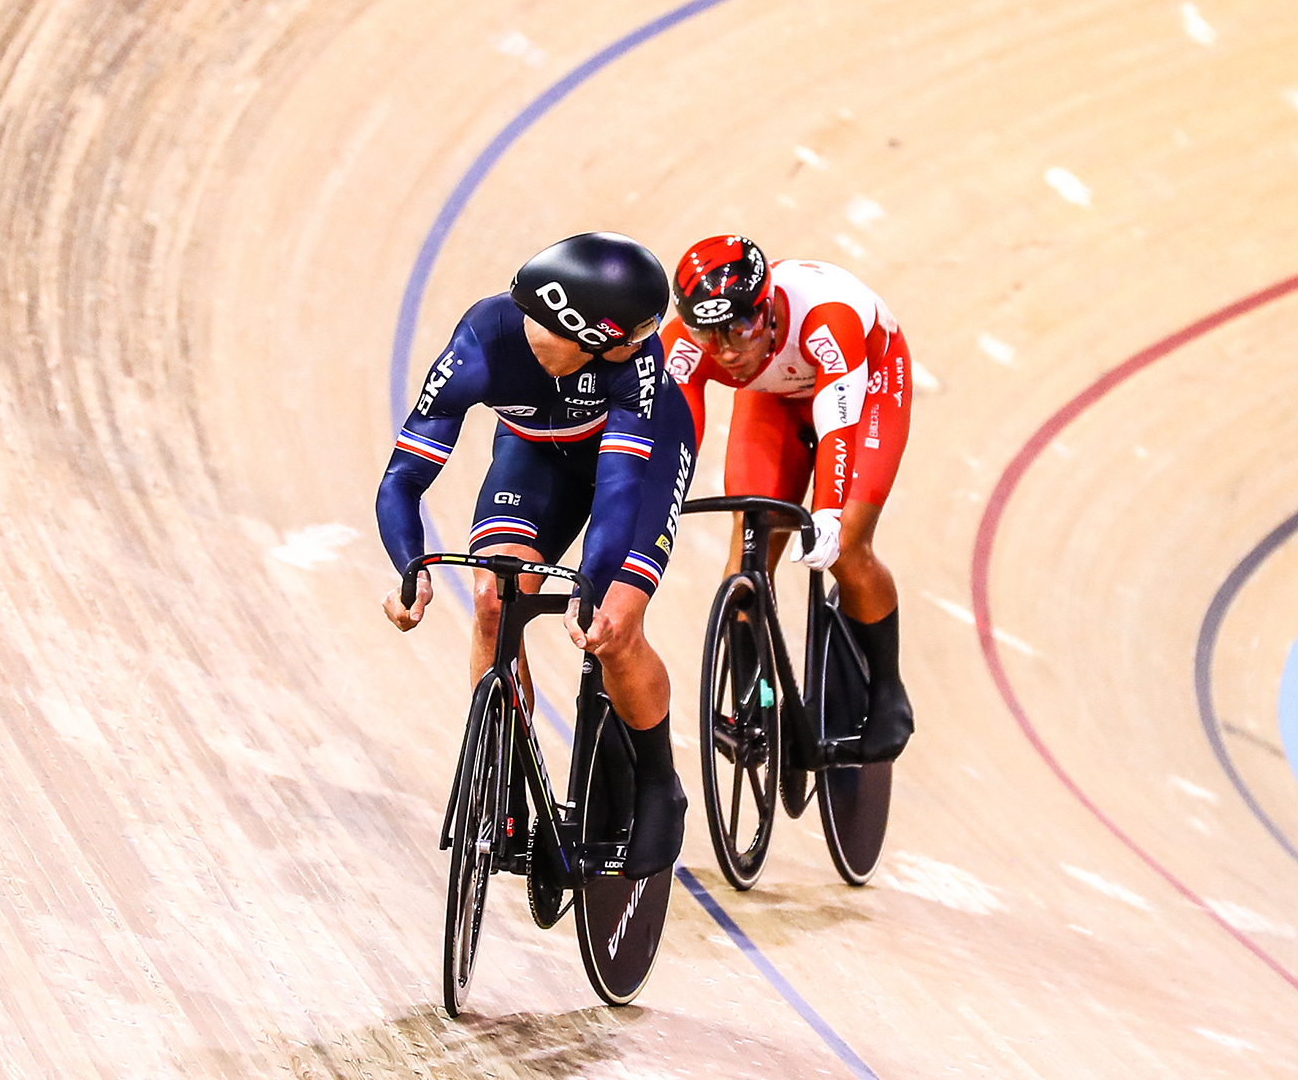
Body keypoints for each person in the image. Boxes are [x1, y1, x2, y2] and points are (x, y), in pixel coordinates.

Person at [377, 232, 695, 878]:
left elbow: (617, 490)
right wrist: (409, 570)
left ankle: (659, 785)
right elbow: (402, 479)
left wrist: (592, 588)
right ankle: (505, 783)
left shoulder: (634, 366)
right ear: (584, 328)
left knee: (613, 626)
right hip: (536, 451)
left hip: (641, 456)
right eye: (635, 333)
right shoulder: (481, 342)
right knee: (495, 600)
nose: (648, 344)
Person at [662, 235, 914, 762]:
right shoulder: (685, 343)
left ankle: (888, 691)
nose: (727, 352)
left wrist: (825, 512)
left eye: (739, 330)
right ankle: (758, 701)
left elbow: (837, 426)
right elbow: (670, 432)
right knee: (747, 555)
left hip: (863, 391)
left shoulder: (827, 318)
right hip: (773, 401)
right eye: (710, 336)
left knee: (847, 543)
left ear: (768, 308)